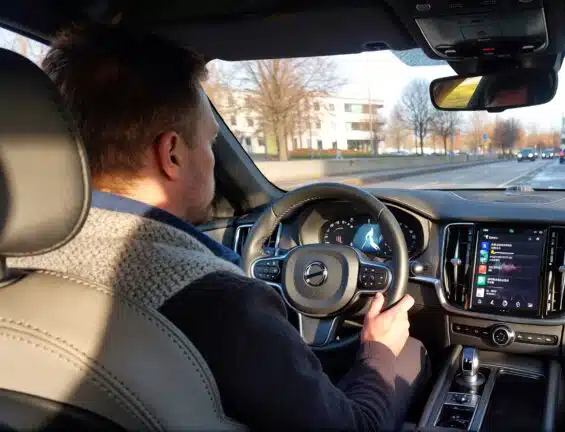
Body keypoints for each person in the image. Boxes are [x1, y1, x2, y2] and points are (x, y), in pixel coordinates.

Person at [9, 23, 429, 430]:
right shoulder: (220, 302)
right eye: (211, 142)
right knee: (409, 351)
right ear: (171, 154)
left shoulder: (15, 261)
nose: (213, 158)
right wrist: (377, 351)